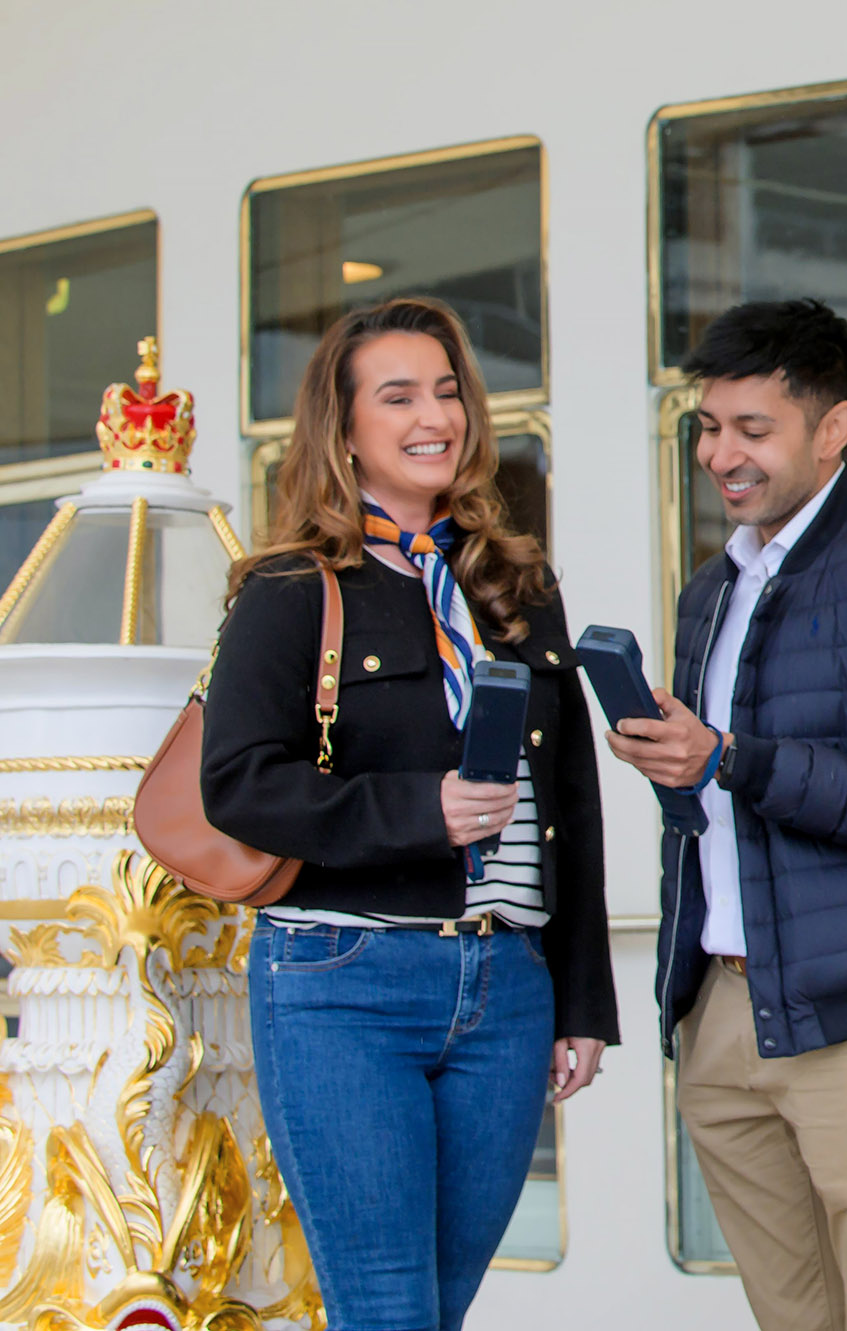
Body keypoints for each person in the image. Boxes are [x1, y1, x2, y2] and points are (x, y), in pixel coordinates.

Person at [201, 297, 616, 1331]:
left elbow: (569, 801)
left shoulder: (517, 584)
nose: (435, 415)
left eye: (447, 391)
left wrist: (578, 999)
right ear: (342, 430)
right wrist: (419, 808)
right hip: (344, 983)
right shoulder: (291, 588)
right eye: (398, 396)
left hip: (505, 990)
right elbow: (239, 782)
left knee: (439, 1301)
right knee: (386, 1307)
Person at [606, 298, 847, 1331]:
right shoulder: (709, 589)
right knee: (791, 1314)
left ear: (832, 428)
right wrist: (676, 765)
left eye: (750, 429)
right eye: (707, 425)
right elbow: (725, 798)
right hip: (722, 1008)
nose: (719, 453)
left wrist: (729, 756)